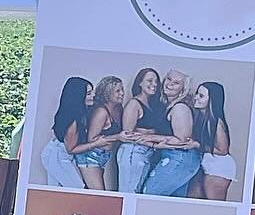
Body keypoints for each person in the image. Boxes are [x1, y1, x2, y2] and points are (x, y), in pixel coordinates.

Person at [142, 69, 203, 196]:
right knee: (173, 200)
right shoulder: (168, 105)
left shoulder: (180, 108)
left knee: (150, 192)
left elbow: (182, 141)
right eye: (169, 79)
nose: (169, 84)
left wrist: (150, 137)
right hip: (176, 158)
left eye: (176, 83)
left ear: (183, 90)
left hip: (180, 157)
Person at [117, 67, 169, 195]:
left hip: (147, 153)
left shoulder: (155, 105)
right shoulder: (134, 104)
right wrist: (151, 142)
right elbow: (127, 135)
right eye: (149, 81)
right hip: (133, 153)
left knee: (138, 193)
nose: (154, 85)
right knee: (129, 193)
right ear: (139, 83)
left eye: (156, 81)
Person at [72, 77, 125, 189]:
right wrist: (118, 137)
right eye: (117, 91)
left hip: (103, 157)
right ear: (108, 93)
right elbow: (92, 139)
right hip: (91, 156)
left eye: (122, 89)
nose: (122, 93)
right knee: (99, 195)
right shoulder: (101, 112)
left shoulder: (118, 109)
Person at [41, 78, 92, 188]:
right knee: (78, 189)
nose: (93, 96)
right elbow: (71, 149)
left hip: (58, 154)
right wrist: (96, 143)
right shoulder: (73, 120)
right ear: (78, 96)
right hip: (58, 155)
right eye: (88, 94)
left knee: (56, 191)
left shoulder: (78, 114)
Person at [188, 81, 235, 201]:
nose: (195, 98)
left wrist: (197, 145)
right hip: (207, 162)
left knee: (213, 201)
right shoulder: (201, 117)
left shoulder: (216, 122)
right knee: (194, 196)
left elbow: (223, 150)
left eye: (201, 96)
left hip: (219, 165)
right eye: (197, 94)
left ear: (211, 100)